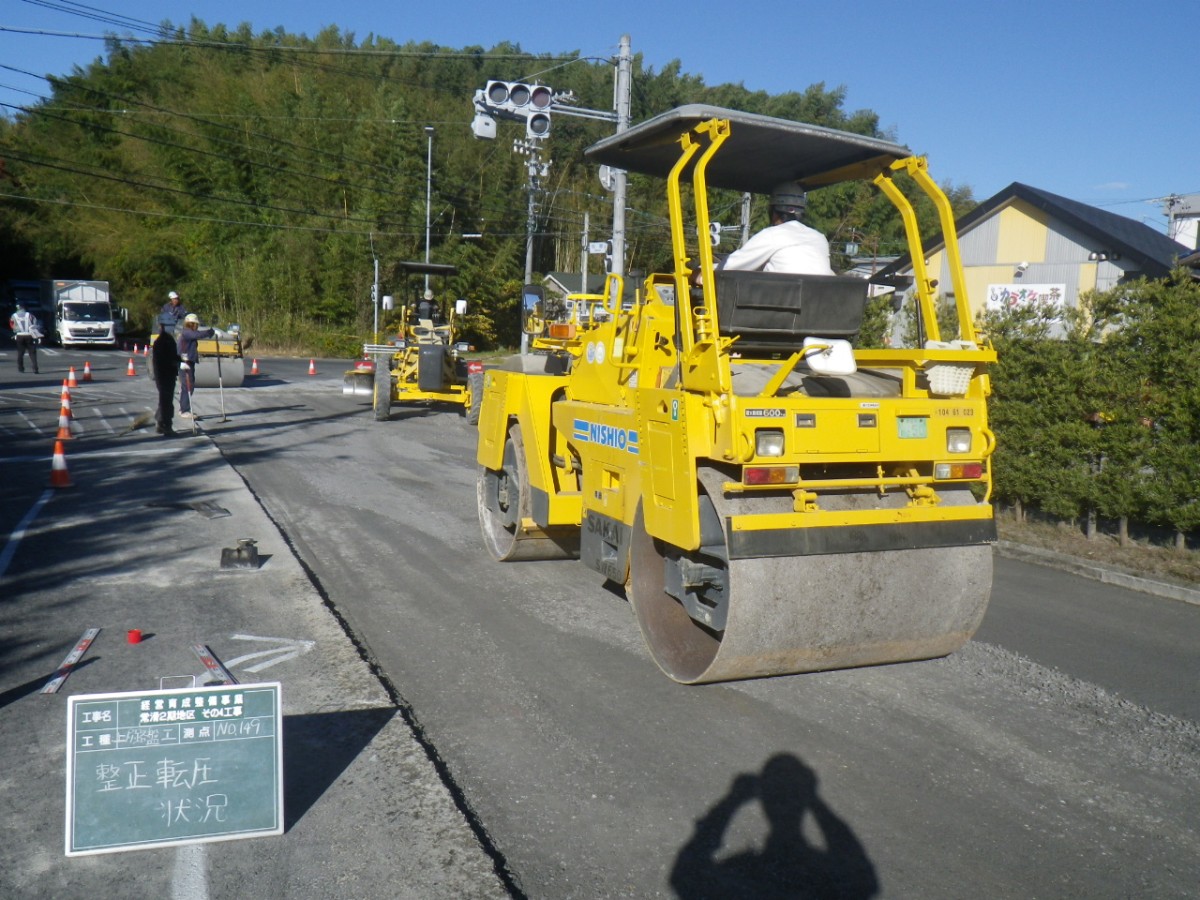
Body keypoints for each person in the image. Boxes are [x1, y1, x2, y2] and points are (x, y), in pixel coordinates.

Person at [721, 181, 836, 276]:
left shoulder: (772, 235)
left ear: (773, 211)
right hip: (820, 302)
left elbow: (731, 265)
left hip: (779, 301)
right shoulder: (820, 238)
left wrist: (703, 270)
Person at [176, 312, 214, 419]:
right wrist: (209, 332)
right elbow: (198, 335)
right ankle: (184, 410)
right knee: (188, 386)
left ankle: (183, 408)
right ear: (191, 324)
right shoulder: (187, 332)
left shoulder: (188, 332)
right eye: (196, 324)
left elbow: (197, 335)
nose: (197, 326)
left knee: (188, 386)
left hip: (188, 361)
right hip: (185, 362)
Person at [151, 317, 181, 435]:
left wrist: (181, 360)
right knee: (166, 402)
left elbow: (173, 356)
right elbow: (162, 360)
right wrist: (176, 362)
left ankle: (160, 422)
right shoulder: (163, 341)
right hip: (164, 375)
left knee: (165, 400)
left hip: (166, 374)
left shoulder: (167, 340)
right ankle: (166, 425)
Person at [9, 302, 42, 374]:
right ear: (25, 308)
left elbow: (11, 324)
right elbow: (35, 324)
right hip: (29, 335)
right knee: (32, 353)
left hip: (19, 335)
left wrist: (15, 330)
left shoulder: (14, 316)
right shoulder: (30, 315)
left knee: (20, 353)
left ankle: (21, 368)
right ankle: (35, 368)